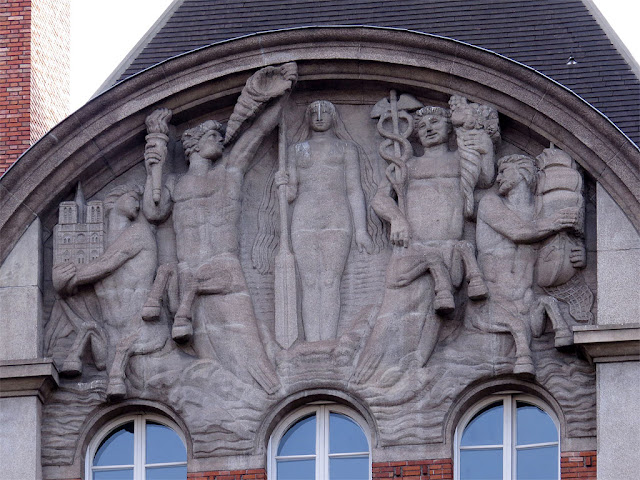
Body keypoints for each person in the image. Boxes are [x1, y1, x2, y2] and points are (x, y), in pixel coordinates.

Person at [142, 63, 297, 394]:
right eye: (213, 136)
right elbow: (153, 212)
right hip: (188, 272)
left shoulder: (229, 173)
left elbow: (254, 135)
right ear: (195, 144)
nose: (221, 141)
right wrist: (153, 168)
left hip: (223, 267)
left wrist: (279, 96)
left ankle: (269, 390)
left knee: (246, 341)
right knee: (208, 354)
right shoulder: (173, 184)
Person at [354, 104, 492, 384]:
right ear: (414, 134)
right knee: (394, 314)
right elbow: (380, 199)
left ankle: (414, 368)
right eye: (422, 125)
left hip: (449, 246)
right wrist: (397, 220)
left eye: (435, 122)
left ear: (449, 127)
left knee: (434, 318)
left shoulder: (460, 159)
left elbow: (486, 177)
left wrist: (485, 146)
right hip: (413, 248)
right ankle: (373, 372)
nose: (428, 128)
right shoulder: (408, 164)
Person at [471, 154, 580, 374]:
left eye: (504, 171)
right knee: (519, 326)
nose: (498, 178)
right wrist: (557, 222)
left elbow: (555, 252)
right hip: (491, 301)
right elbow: (519, 232)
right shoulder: (490, 203)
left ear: (523, 172)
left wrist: (578, 254)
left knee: (547, 303)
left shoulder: (539, 213)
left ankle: (555, 325)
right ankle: (522, 352)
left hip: (525, 300)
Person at [53, 186, 164, 400]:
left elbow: (107, 264)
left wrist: (68, 280)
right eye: (133, 197)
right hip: (111, 337)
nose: (138, 204)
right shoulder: (99, 244)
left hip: (141, 329)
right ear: (113, 201)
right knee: (89, 330)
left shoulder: (138, 232)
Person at [276, 100, 374, 342]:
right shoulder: (296, 150)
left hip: (337, 216)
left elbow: (354, 190)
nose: (319, 116)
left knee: (330, 280)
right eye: (313, 112)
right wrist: (282, 184)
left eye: (325, 111)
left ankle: (327, 341)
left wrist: (362, 230)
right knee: (309, 281)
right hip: (304, 216)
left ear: (334, 117)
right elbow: (290, 194)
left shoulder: (346, 149)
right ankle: (312, 343)